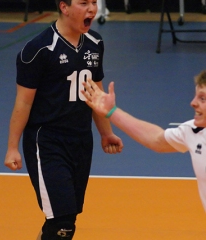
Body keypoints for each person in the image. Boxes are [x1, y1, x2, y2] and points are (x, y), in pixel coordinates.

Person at [4, 0, 123, 239]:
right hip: (47, 142)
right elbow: (23, 102)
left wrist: (105, 132)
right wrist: (12, 147)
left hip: (80, 141)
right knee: (63, 223)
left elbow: (96, 94)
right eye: (83, 3)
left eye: (93, 3)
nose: (91, 9)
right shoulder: (38, 50)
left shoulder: (95, 43)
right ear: (64, 7)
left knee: (65, 218)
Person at [82, 70, 206, 212]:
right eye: (196, 96)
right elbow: (156, 140)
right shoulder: (193, 130)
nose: (193, 103)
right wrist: (112, 112)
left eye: (202, 99)